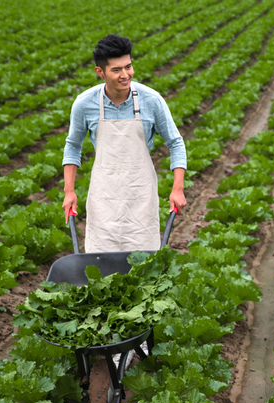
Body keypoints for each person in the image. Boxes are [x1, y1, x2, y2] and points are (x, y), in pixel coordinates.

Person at [61, 34, 187, 253]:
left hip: (140, 195)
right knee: (101, 262)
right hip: (104, 196)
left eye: (128, 67)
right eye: (116, 70)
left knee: (143, 263)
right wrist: (69, 191)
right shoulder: (85, 103)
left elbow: (175, 143)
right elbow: (73, 146)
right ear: (100, 72)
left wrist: (178, 188)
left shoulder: (151, 100)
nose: (125, 75)